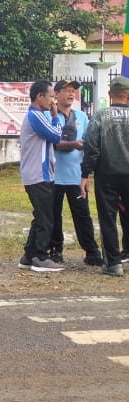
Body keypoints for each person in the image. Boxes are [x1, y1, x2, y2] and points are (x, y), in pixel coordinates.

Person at [50, 79, 103, 267]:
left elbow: (90, 142)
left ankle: (92, 252)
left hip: (76, 176)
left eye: (73, 91)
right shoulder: (50, 116)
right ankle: (55, 250)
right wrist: (74, 144)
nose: (71, 94)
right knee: (54, 216)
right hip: (54, 176)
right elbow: (53, 143)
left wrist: (86, 174)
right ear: (56, 94)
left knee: (83, 216)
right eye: (66, 90)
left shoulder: (81, 117)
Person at [80, 74, 129, 277]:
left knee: (108, 218)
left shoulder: (100, 116)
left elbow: (91, 146)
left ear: (110, 94)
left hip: (106, 175)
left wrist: (85, 173)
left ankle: (113, 264)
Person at [18, 80, 64, 272]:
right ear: (40, 96)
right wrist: (55, 117)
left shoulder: (37, 115)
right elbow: (56, 136)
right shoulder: (36, 116)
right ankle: (41, 256)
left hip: (38, 174)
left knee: (40, 216)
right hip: (39, 175)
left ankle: (28, 256)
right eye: (51, 96)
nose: (54, 101)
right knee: (46, 218)